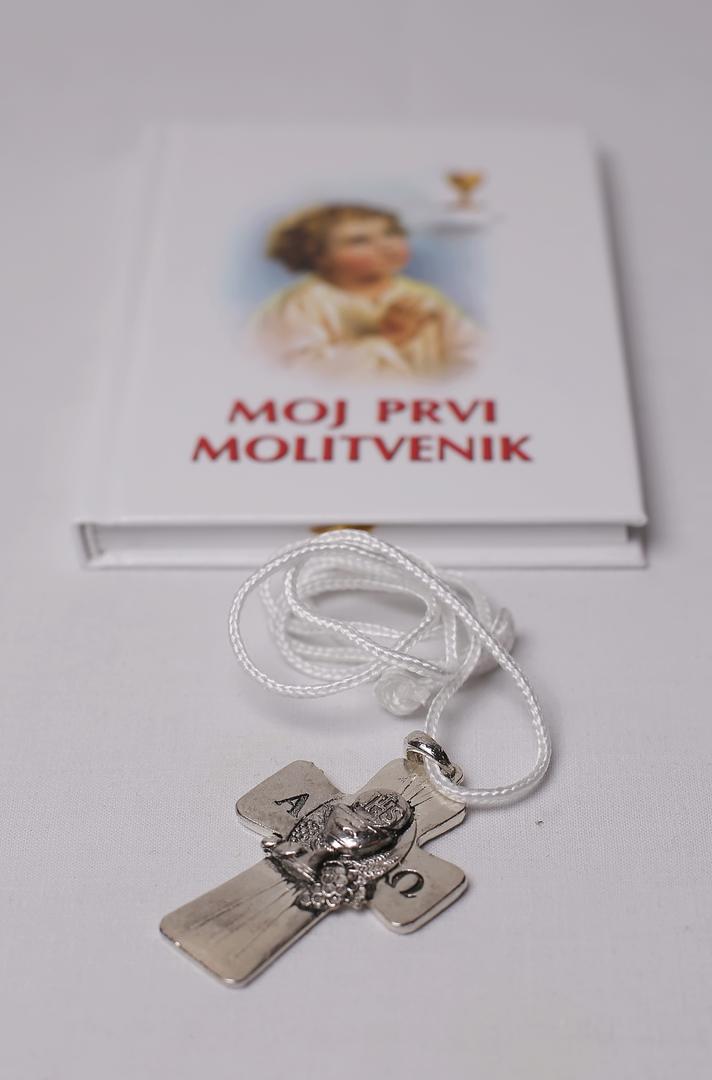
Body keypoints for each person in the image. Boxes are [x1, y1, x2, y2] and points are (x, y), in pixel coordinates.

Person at [252, 203, 480, 376]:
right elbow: (299, 372)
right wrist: (388, 340)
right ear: (319, 256)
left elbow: (472, 351)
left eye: (392, 233)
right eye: (359, 241)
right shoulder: (302, 304)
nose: (386, 246)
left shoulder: (423, 297)